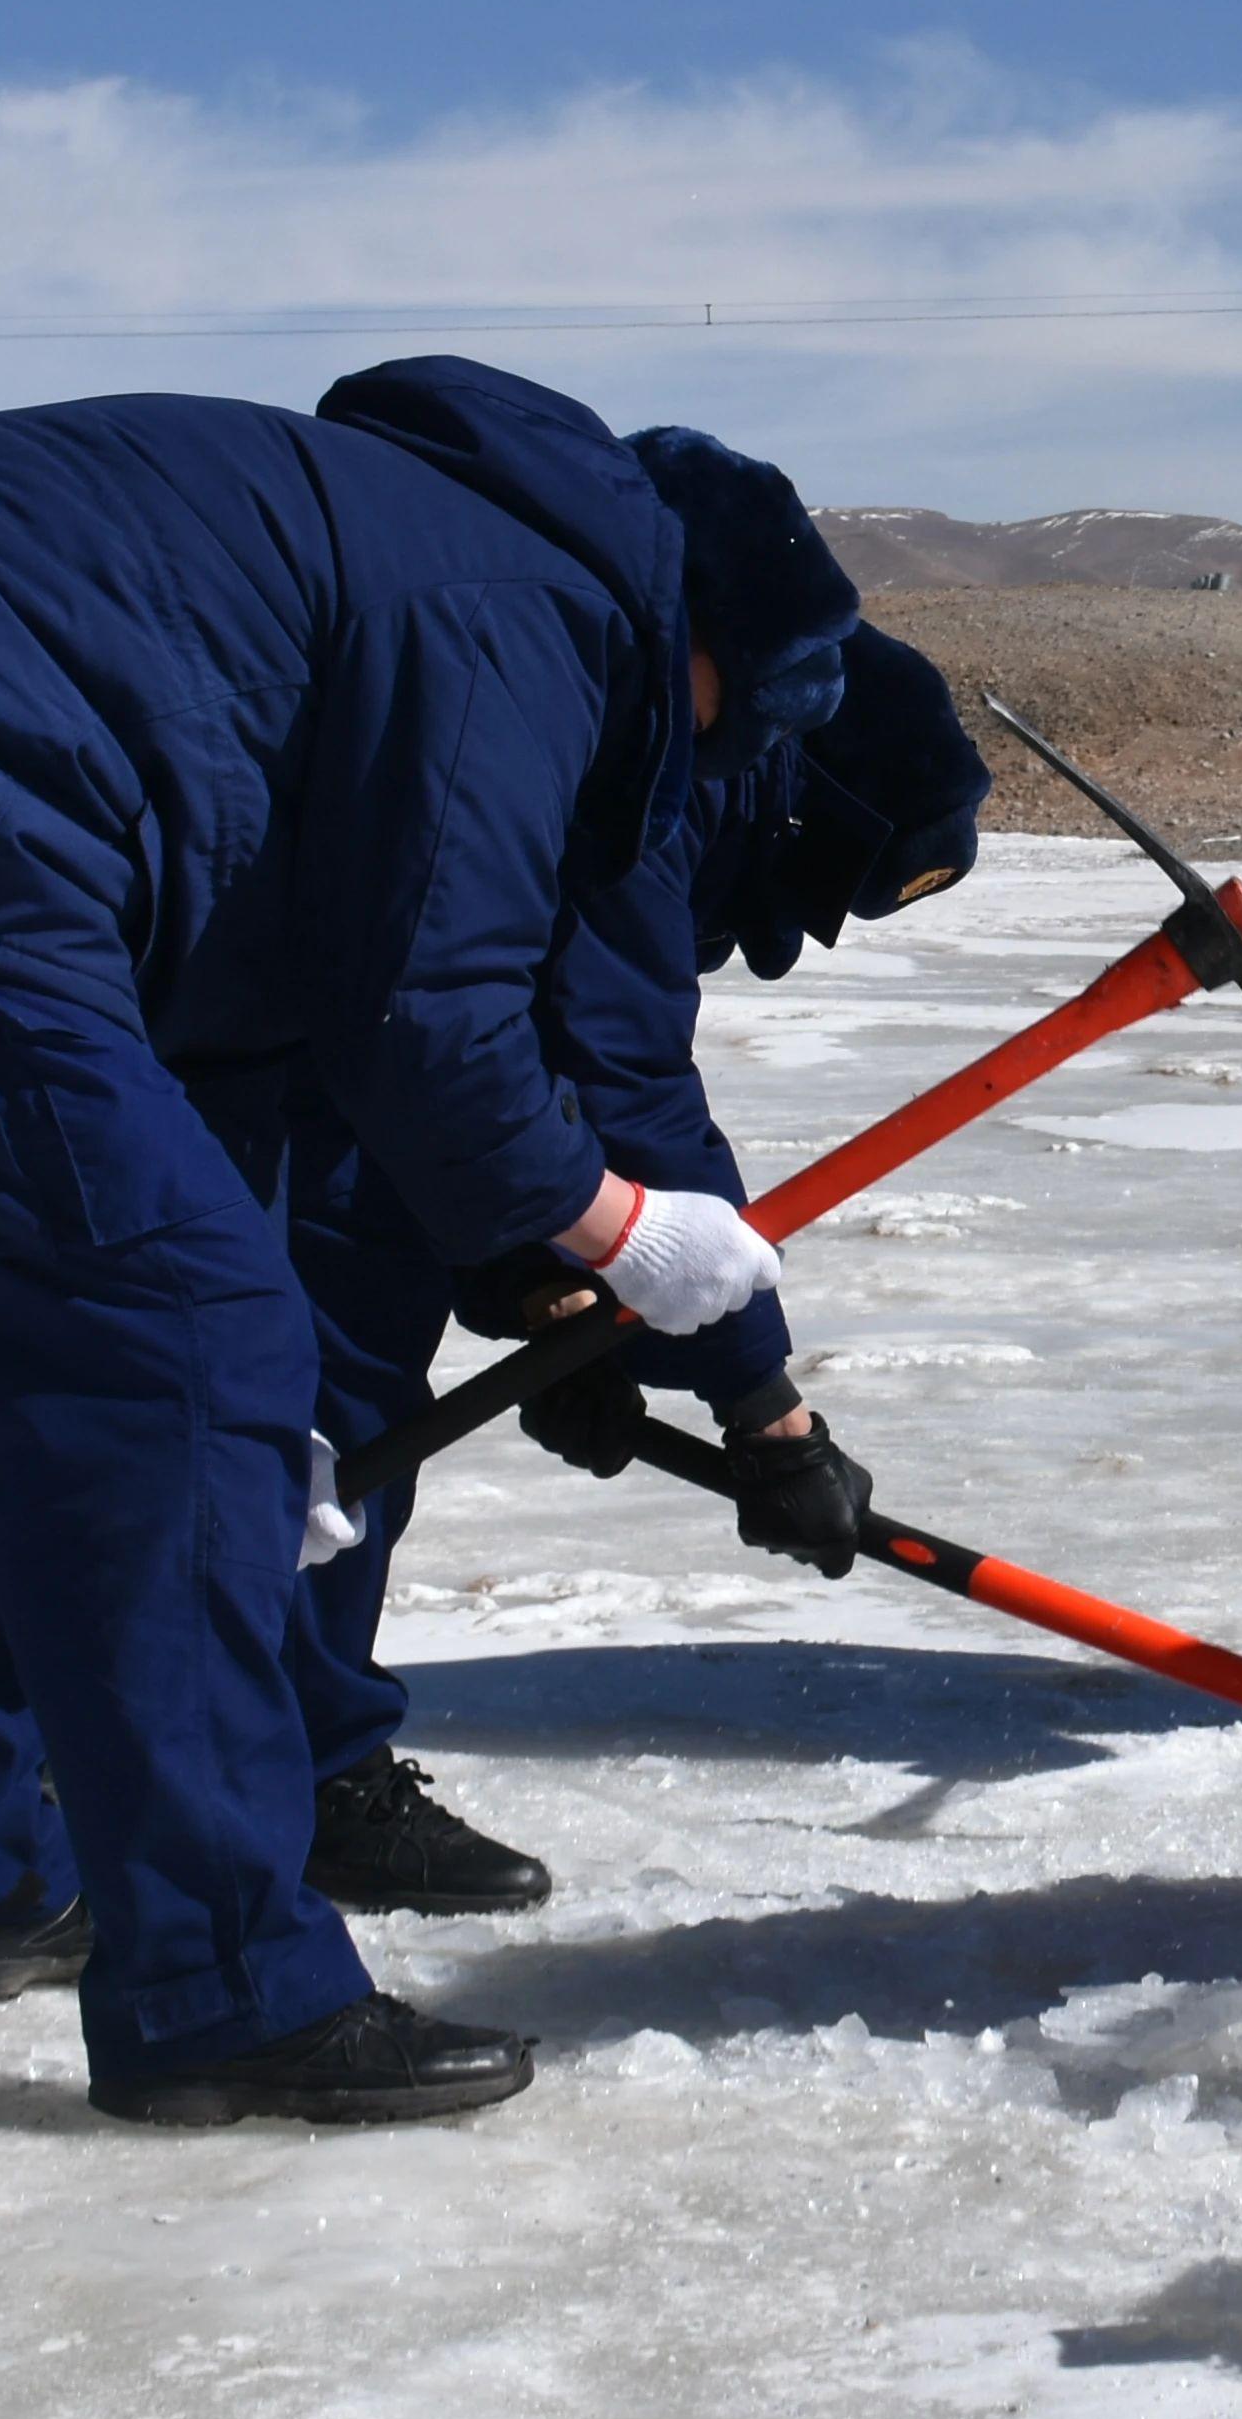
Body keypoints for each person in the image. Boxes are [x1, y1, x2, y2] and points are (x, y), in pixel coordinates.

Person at [0, 357, 834, 2127]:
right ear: (708, 651)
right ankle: (222, 1991)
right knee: (184, 1346)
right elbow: (434, 1028)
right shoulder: (539, 616)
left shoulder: (381, 545)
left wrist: (298, 1403)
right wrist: (617, 1231)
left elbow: (255, 1046)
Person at [281, 580, 997, 1895]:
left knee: (316, 1404)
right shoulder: (655, 778)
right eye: (839, 889)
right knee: (316, 1404)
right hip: (307, 1069)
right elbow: (629, 1096)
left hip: (338, 1055)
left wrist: (554, 1320)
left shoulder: (658, 750)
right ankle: (272, 1780)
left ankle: (202, 1767)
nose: (794, 940)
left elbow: (520, 1074)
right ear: (805, 799)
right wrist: (764, 1411)